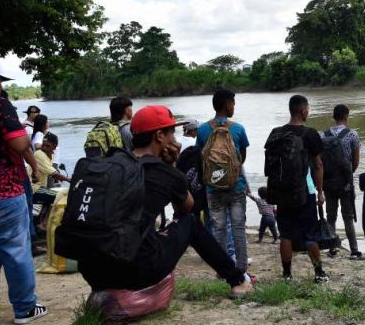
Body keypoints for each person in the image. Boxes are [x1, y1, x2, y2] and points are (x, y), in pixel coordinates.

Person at [76, 105, 254, 297]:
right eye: (172, 133)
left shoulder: (114, 163)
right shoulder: (163, 172)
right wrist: (173, 167)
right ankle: (238, 281)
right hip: (133, 273)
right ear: (160, 136)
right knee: (191, 222)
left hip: (92, 272)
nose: (175, 139)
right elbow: (187, 208)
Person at [0, 57, 47, 325]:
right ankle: (25, 308)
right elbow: (19, 143)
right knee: (16, 249)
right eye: (0, 80)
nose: (0, 86)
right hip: (3, 190)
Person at [265, 95, 328, 283]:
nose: (308, 112)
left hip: (281, 191)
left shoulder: (276, 133)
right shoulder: (310, 134)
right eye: (308, 109)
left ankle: (286, 275)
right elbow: (318, 165)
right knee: (310, 234)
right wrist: (320, 191)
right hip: (304, 191)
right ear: (303, 111)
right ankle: (319, 273)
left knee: (285, 234)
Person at [195, 89, 250, 275]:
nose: (234, 107)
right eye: (233, 103)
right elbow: (241, 158)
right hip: (237, 187)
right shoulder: (238, 129)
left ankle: (222, 270)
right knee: (238, 228)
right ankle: (241, 268)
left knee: (218, 229)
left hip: (213, 188)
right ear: (227, 105)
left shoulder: (202, 130)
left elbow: (200, 157)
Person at [322, 104, 363, 260]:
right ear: (346, 116)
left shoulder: (324, 135)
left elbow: (319, 160)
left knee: (330, 215)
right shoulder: (352, 135)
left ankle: (332, 249)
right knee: (348, 216)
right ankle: (354, 251)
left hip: (328, 181)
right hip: (345, 182)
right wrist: (346, 175)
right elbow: (356, 161)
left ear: (333, 117)